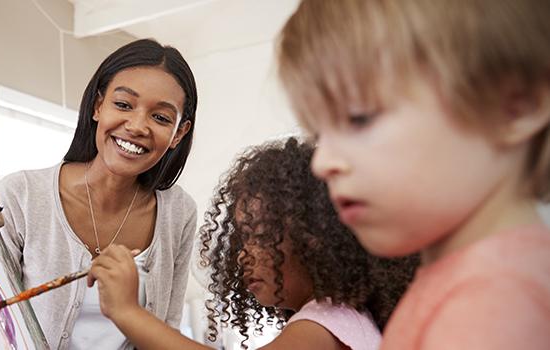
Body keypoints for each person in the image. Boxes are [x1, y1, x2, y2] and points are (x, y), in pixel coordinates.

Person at [276, 0, 550, 348]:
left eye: (359, 117)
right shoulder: (464, 285)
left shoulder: (497, 301)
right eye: (318, 133)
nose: (322, 162)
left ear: (516, 107)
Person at [89, 138, 418, 350]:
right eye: (241, 239)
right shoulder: (340, 319)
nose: (243, 254)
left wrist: (127, 311)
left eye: (261, 235)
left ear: (315, 240)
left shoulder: (329, 321)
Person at [0, 38, 198, 349]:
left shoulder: (179, 213)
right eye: (124, 104)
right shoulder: (21, 194)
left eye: (160, 117)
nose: (137, 125)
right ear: (98, 106)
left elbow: (166, 331)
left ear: (178, 134)